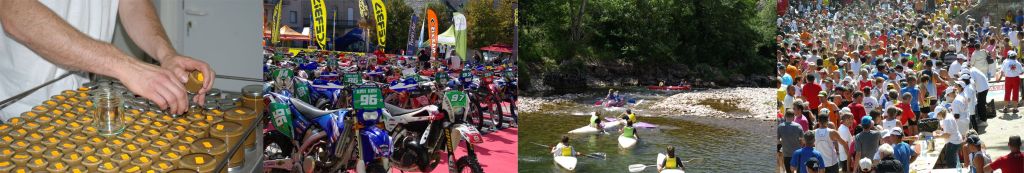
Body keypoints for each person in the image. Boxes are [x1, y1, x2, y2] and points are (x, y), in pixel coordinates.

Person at [0, 0, 216, 118]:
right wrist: (126, 66)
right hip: (16, 108)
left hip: (79, 99)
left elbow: (132, 4)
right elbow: (15, 11)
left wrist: (166, 54)